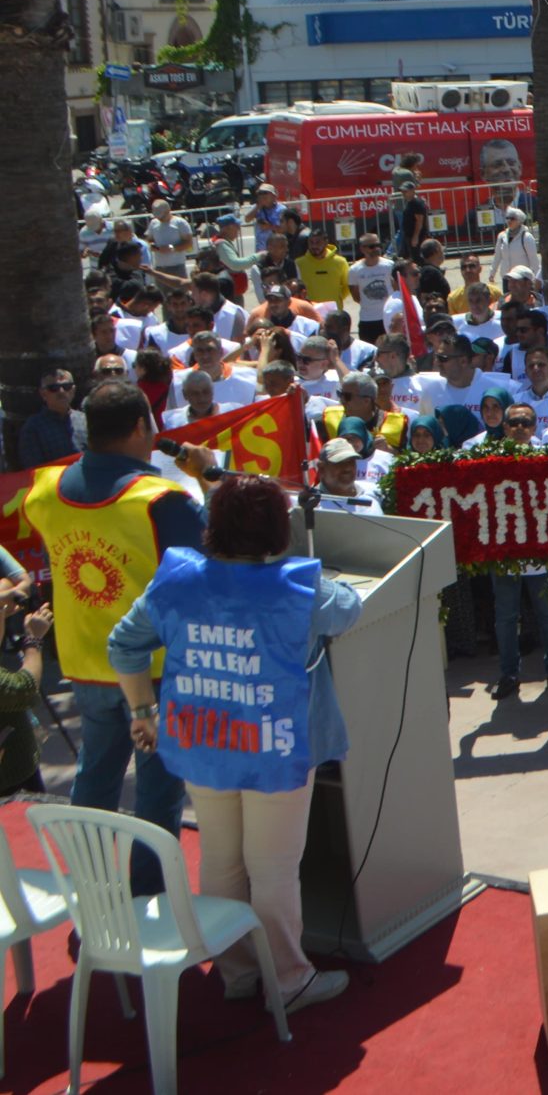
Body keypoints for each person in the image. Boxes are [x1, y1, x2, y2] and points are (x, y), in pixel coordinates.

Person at [110, 475, 359, 1011]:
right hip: (278, 749)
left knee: (221, 859)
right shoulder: (299, 589)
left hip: (202, 744)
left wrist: (142, 712)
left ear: (212, 527)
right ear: (277, 531)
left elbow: (123, 644)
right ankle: (289, 980)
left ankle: (238, 971)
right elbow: (349, 608)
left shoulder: (177, 580)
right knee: (271, 869)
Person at [22, 380, 209, 892]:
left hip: (85, 662)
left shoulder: (45, 489)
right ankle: (147, 900)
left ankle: (90, 892)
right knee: (157, 793)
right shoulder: (161, 500)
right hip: (152, 672)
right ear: (137, 429)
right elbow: (218, 555)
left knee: (94, 780)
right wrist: (207, 479)